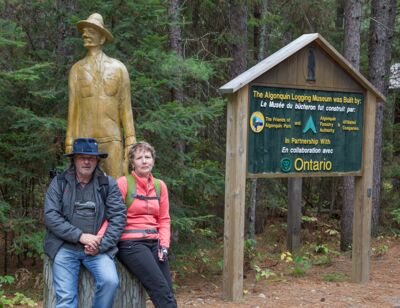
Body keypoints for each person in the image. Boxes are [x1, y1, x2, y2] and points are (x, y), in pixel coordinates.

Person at [44, 138, 127, 308]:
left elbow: (118, 216)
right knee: (66, 299)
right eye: (82, 157)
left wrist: (101, 244)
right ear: (74, 159)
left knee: (110, 282)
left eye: (91, 157)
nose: (87, 161)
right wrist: (80, 236)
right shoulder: (59, 182)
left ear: (97, 160)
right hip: (65, 247)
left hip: (98, 249)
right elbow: (51, 216)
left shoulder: (107, 184)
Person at [105, 141, 177, 307]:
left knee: (168, 291)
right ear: (132, 162)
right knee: (160, 289)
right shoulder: (124, 183)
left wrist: (164, 245)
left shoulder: (160, 186)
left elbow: (164, 219)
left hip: (155, 242)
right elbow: (112, 216)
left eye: (147, 157)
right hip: (131, 244)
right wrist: (101, 239)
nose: (144, 161)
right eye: (139, 158)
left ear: (153, 160)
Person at [66, 13, 136, 179]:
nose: (85, 34)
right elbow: (73, 110)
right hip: (84, 141)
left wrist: (130, 143)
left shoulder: (119, 69)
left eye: (91, 31)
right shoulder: (77, 70)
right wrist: (70, 143)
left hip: (112, 140)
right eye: (84, 31)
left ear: (102, 38)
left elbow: (126, 109)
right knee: (83, 187)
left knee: (116, 188)